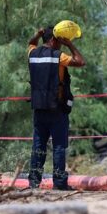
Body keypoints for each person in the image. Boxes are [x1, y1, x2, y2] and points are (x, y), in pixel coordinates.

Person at [27, 21, 86, 190]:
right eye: (60, 40)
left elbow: (31, 43)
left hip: (39, 108)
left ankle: (33, 183)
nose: (61, 43)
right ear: (54, 39)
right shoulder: (58, 56)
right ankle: (59, 184)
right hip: (57, 109)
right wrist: (70, 44)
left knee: (38, 147)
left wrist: (38, 34)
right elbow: (80, 61)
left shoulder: (32, 54)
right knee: (59, 147)